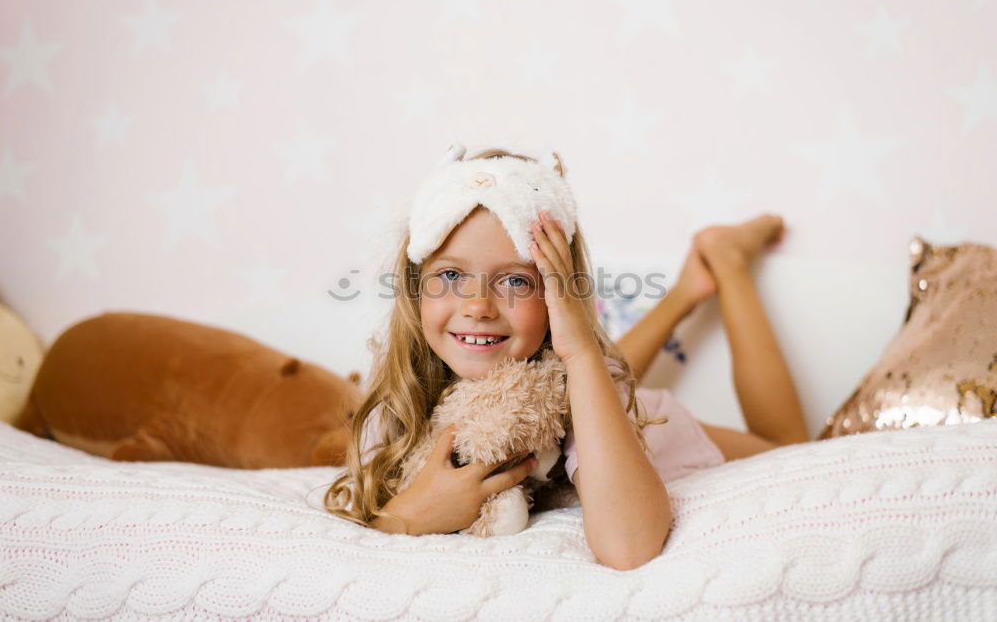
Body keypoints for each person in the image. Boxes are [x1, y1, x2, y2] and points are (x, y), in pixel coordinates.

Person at [322, 143, 809, 571]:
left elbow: (630, 547)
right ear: (415, 289)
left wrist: (577, 347)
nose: (477, 306)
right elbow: (365, 524)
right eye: (450, 276)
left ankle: (725, 260)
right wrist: (410, 516)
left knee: (790, 444)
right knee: (588, 371)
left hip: (651, 425)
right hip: (590, 377)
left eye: (516, 280)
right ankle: (684, 293)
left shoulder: (591, 374)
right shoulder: (396, 408)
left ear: (557, 299)